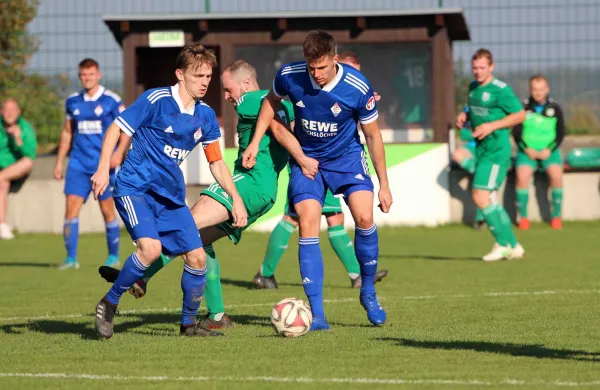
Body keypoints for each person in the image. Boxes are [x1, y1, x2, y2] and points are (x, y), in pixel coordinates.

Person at [97, 60, 309, 330]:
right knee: (197, 244)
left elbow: (278, 130)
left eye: (228, 88)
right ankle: (217, 316)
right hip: (265, 191)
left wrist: (303, 160)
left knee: (186, 227)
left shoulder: (254, 99)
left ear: (245, 84)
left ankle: (140, 275)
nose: (226, 96)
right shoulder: (285, 105)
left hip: (248, 182)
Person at [91, 44, 248, 339]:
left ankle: (188, 325)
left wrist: (235, 198)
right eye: (198, 75)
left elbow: (216, 161)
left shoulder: (205, 116)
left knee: (198, 257)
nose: (204, 81)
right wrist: (102, 168)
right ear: (180, 74)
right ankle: (109, 303)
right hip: (135, 186)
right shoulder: (155, 100)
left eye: (208, 76)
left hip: (170, 195)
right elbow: (116, 128)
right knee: (150, 249)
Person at [242, 30, 393, 330]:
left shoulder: (357, 86)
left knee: (364, 217)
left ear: (335, 60)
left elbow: (373, 135)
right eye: (311, 67)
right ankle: (318, 313)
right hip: (307, 161)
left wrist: (384, 185)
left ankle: (368, 291)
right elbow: (270, 104)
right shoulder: (289, 75)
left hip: (346, 157)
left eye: (322, 67)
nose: (316, 74)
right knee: (308, 222)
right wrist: (254, 141)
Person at [54, 59, 130, 269]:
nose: (87, 78)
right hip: (78, 164)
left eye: (91, 74)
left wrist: (118, 154)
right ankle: (71, 259)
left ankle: (113, 257)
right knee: (70, 209)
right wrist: (60, 161)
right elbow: (68, 132)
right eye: (83, 75)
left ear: (98, 75)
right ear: (80, 76)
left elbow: (126, 131)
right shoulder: (72, 101)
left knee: (107, 210)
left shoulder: (111, 101)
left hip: (103, 166)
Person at [455, 48, 526, 262]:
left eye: (482, 68)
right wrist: (464, 113)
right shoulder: (473, 87)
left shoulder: (501, 90)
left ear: (492, 67)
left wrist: (492, 125)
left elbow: (520, 114)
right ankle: (513, 245)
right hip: (482, 151)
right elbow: (474, 105)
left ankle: (502, 243)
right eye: (474, 68)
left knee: (480, 195)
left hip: (496, 151)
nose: (477, 72)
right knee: (489, 199)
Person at [513, 74, 565, 230]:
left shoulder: (555, 109)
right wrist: (526, 148)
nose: (538, 93)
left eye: (541, 89)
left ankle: (556, 216)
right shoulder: (522, 108)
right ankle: (523, 218)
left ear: (547, 89)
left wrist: (549, 150)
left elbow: (561, 133)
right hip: (527, 152)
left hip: (549, 151)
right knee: (522, 177)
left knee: (556, 176)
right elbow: (516, 132)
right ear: (530, 90)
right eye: (535, 89)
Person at [0, 98, 37, 239]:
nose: (9, 114)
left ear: (18, 112)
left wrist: (18, 139)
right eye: (6, 110)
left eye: (12, 110)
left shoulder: (25, 128)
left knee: (27, 162)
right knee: (2, 183)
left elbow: (30, 155)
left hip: (16, 168)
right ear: (1, 112)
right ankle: (2, 225)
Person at [452, 105, 486, 230]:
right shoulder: (468, 110)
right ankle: (480, 218)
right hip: (472, 149)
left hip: (489, 149)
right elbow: (464, 134)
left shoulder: (494, 108)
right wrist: (480, 133)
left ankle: (482, 217)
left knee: (485, 188)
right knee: (457, 155)